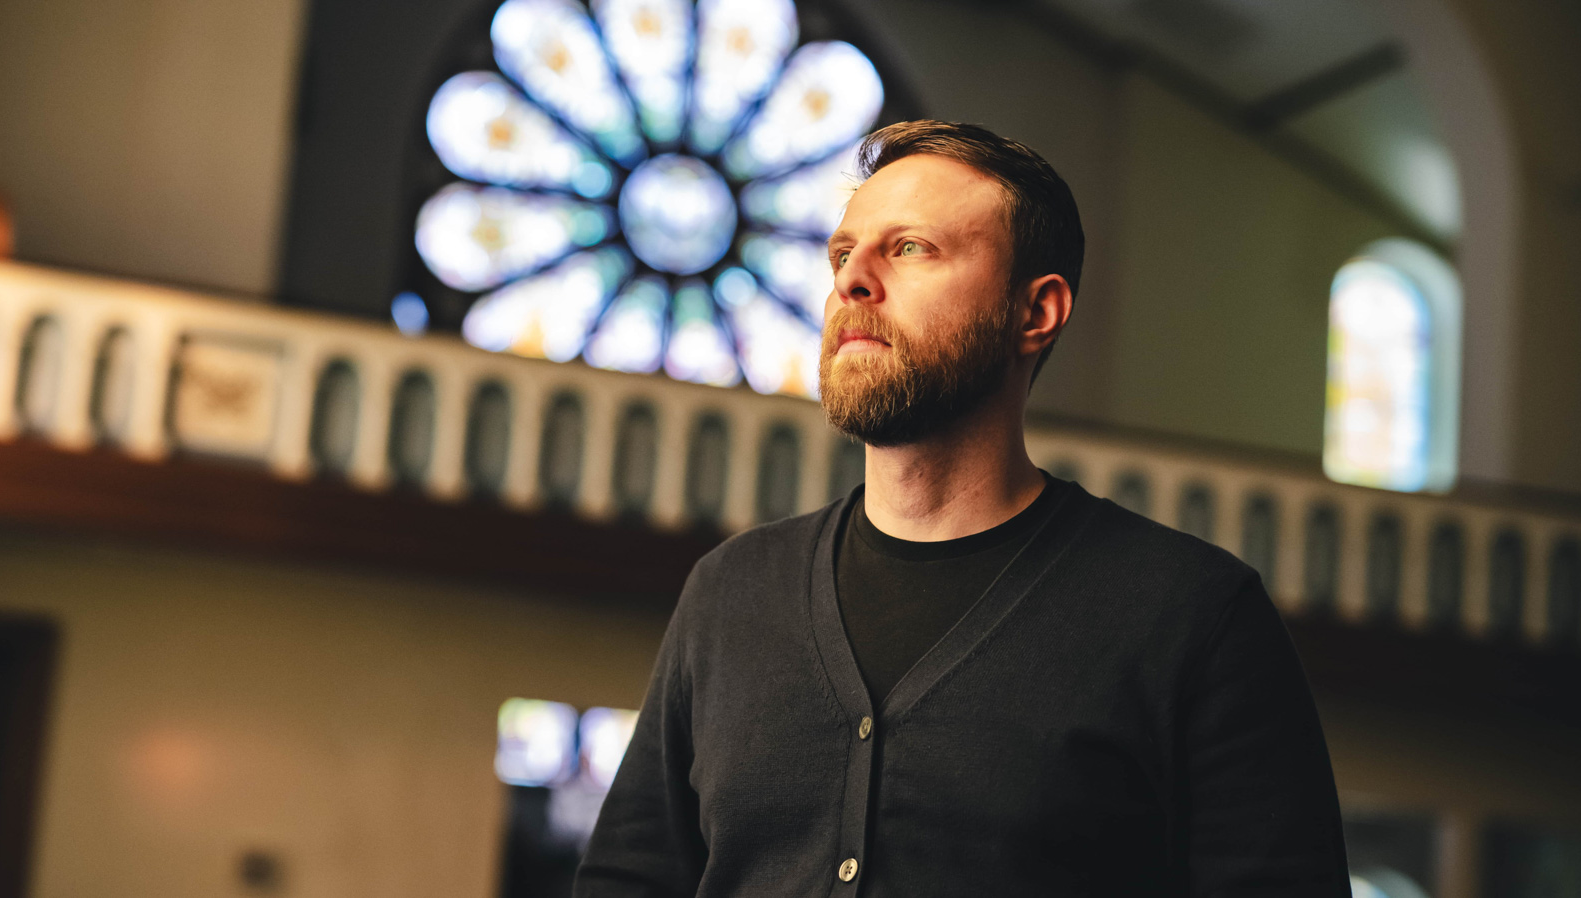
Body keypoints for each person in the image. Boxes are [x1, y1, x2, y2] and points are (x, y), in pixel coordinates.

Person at [574, 120, 1348, 897]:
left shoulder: (1192, 615)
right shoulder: (732, 589)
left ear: (1035, 313)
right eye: (844, 254)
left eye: (911, 249)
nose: (852, 281)